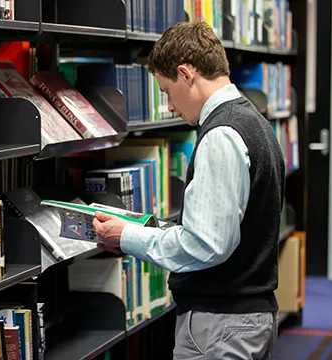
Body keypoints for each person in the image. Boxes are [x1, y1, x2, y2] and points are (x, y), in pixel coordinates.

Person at [92, 20, 285, 360]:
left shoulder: (221, 135)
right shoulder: (255, 122)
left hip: (221, 324)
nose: (168, 106)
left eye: (166, 91)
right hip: (244, 318)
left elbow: (205, 245)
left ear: (186, 73)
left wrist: (127, 238)